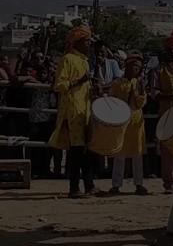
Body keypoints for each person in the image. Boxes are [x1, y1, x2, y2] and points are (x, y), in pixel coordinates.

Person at [48, 25, 100, 198]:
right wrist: (79, 81)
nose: (89, 44)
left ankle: (89, 185)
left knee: (86, 150)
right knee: (76, 151)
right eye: (86, 41)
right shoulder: (68, 59)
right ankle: (74, 188)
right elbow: (59, 85)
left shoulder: (85, 60)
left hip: (84, 110)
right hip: (72, 110)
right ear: (77, 42)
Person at [109, 51, 148, 195]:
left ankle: (139, 184)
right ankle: (116, 184)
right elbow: (112, 100)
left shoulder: (139, 83)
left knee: (137, 154)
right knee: (119, 154)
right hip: (121, 122)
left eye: (138, 67)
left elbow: (141, 103)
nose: (136, 69)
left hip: (136, 121)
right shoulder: (118, 83)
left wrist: (141, 91)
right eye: (134, 66)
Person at [155, 31, 173, 193]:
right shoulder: (159, 71)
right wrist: (166, 96)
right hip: (166, 113)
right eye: (171, 50)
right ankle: (168, 182)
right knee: (167, 149)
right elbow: (153, 92)